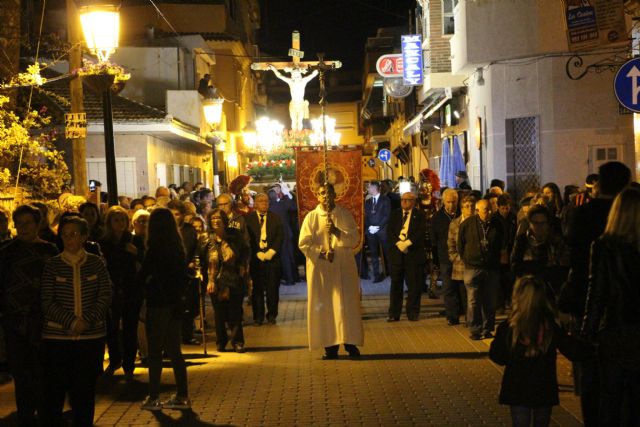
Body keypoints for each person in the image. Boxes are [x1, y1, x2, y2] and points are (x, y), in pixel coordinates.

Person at [562, 161, 631, 427]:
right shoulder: (629, 218)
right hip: (625, 312)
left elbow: (577, 261)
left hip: (589, 304)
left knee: (591, 375)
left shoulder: (585, 215)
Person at [489, 276, 589, 427]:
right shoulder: (550, 326)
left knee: (520, 421)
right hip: (543, 387)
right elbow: (573, 350)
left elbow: (497, 356)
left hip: (518, 388)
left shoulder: (509, 328)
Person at [40, 216, 112, 427]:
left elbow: (105, 294)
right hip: (57, 339)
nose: (69, 239)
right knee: (54, 392)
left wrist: (87, 320)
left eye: (74, 234)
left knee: (84, 392)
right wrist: (71, 322)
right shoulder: (52, 264)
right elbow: (47, 300)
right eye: (64, 234)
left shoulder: (96, 262)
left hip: (90, 338)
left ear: (83, 237)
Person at [582, 187, 640, 426]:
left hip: (615, 331)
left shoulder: (605, 246)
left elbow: (597, 293)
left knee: (610, 398)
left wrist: (588, 332)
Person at [0, 205, 59, 426]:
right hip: (14, 320)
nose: (23, 228)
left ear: (37, 224)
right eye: (19, 223)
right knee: (21, 372)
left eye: (28, 223)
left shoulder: (49, 250)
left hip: (42, 319)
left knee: (42, 370)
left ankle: (45, 413)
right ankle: (25, 414)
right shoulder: (7, 251)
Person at [299, 183, 363, 359]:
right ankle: (330, 346)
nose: (325, 196)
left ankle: (350, 342)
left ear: (335, 195)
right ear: (317, 196)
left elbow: (354, 238)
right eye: (322, 193)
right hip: (323, 270)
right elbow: (303, 243)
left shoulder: (344, 215)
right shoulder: (311, 218)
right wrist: (321, 252)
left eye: (329, 193)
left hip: (343, 267)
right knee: (326, 307)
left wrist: (336, 231)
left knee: (346, 306)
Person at [138, 208, 190, 411]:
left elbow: (143, 275)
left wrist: (146, 281)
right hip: (175, 303)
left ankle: (153, 396)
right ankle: (183, 394)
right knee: (175, 350)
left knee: (155, 351)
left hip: (158, 303)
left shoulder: (154, 249)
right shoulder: (177, 248)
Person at [100, 206, 141, 379]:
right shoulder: (104, 243)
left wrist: (137, 253)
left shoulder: (134, 240)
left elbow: (143, 261)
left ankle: (129, 364)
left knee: (130, 327)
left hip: (131, 289)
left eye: (123, 220)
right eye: (116, 220)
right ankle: (115, 359)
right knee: (111, 327)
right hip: (111, 289)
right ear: (109, 223)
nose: (120, 223)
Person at [458, 199, 503, 340]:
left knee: (490, 300)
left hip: (491, 267)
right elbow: (460, 245)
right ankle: (475, 329)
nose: (489, 212)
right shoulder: (467, 224)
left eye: (490, 209)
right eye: (485, 210)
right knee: (473, 300)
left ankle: (487, 328)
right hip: (473, 267)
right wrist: (467, 259)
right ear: (477, 211)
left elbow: (502, 242)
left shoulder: (497, 224)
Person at [207, 208, 250, 353]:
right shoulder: (207, 239)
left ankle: (237, 341)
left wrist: (243, 266)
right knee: (219, 313)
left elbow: (245, 251)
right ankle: (221, 341)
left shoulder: (234, 235)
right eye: (212, 218)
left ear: (224, 220)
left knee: (235, 312)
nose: (216, 221)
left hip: (233, 278)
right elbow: (201, 258)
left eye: (218, 218)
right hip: (215, 280)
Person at [511, 205, 570, 295]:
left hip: (551, 292)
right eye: (536, 223)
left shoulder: (555, 241)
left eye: (543, 223)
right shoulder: (522, 240)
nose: (539, 227)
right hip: (528, 291)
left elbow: (563, 267)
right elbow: (515, 265)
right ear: (529, 223)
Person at [387, 191, 427, 322]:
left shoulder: (420, 215)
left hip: (413, 255)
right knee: (396, 285)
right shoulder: (394, 214)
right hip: (397, 255)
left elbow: (420, 232)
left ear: (413, 202)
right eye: (402, 199)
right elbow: (390, 231)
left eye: (407, 200)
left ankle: (413, 312)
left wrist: (408, 243)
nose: (404, 202)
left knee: (414, 285)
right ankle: (394, 313)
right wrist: (399, 244)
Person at [246, 194, 284, 325]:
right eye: (261, 201)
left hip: (272, 260)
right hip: (256, 260)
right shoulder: (248, 219)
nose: (264, 203)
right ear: (255, 203)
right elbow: (247, 239)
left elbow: (280, 237)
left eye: (266, 201)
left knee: (272, 288)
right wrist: (256, 253)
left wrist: (271, 252)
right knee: (257, 290)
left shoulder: (276, 218)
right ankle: (258, 317)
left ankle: (272, 315)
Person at [167, 199, 200, 346]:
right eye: (172, 214)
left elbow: (196, 249)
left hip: (187, 272)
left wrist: (193, 261)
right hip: (171, 273)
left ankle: (188, 334)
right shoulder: (165, 230)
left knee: (189, 305)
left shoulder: (189, 230)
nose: (175, 217)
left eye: (177, 214)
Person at [431, 189, 459, 325]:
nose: (451, 205)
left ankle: (463, 312)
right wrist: (436, 260)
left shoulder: (461, 215)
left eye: (454, 202)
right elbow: (434, 240)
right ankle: (451, 316)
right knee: (448, 288)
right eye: (448, 202)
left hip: (460, 257)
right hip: (445, 257)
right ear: (443, 202)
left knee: (462, 287)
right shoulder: (437, 218)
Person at [448, 195, 475, 325]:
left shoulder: (477, 222)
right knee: (463, 294)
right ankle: (466, 316)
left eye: (472, 206)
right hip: (460, 264)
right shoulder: (455, 224)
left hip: (474, 264)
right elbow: (451, 245)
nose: (469, 209)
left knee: (473, 295)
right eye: (466, 207)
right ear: (462, 209)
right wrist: (455, 258)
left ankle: (471, 319)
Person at [268, 64, 319, 131]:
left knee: (300, 121)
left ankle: (299, 135)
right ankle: (294, 135)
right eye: (294, 76)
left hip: (301, 104)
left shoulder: (303, 81)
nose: (296, 77)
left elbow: (313, 75)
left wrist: (318, 69)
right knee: (294, 121)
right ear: (292, 76)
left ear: (300, 75)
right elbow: (280, 76)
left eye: (297, 75)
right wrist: (273, 69)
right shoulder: (291, 82)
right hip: (293, 104)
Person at [268, 182, 299, 285]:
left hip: (278, 235)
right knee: (288, 256)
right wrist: (286, 195)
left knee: (284, 256)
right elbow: (294, 207)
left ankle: (288, 277)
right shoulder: (281, 205)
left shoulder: (269, 207)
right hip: (286, 234)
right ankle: (292, 278)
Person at [364, 181, 391, 283]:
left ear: (375, 188)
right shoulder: (368, 202)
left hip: (382, 231)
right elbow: (366, 216)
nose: (368, 190)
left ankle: (392, 273)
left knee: (387, 253)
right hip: (371, 232)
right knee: (374, 255)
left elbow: (387, 215)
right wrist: (370, 226)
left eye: (369, 187)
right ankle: (377, 275)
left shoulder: (385, 200)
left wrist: (378, 227)